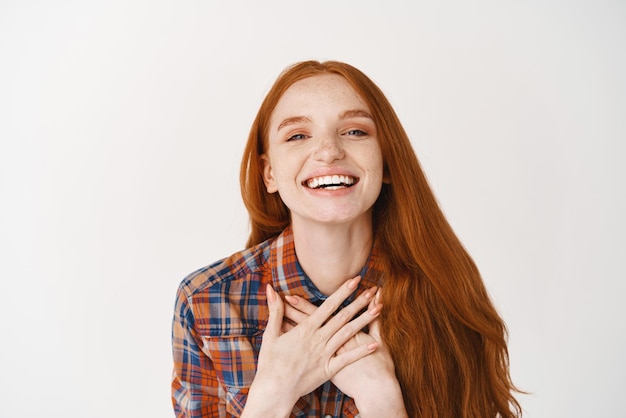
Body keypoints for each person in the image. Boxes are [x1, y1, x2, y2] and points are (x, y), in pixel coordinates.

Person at [171, 60, 522, 418]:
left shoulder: (447, 292)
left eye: (355, 131)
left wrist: (383, 399)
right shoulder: (205, 300)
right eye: (297, 135)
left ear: (386, 163)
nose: (328, 151)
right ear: (270, 174)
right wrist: (273, 394)